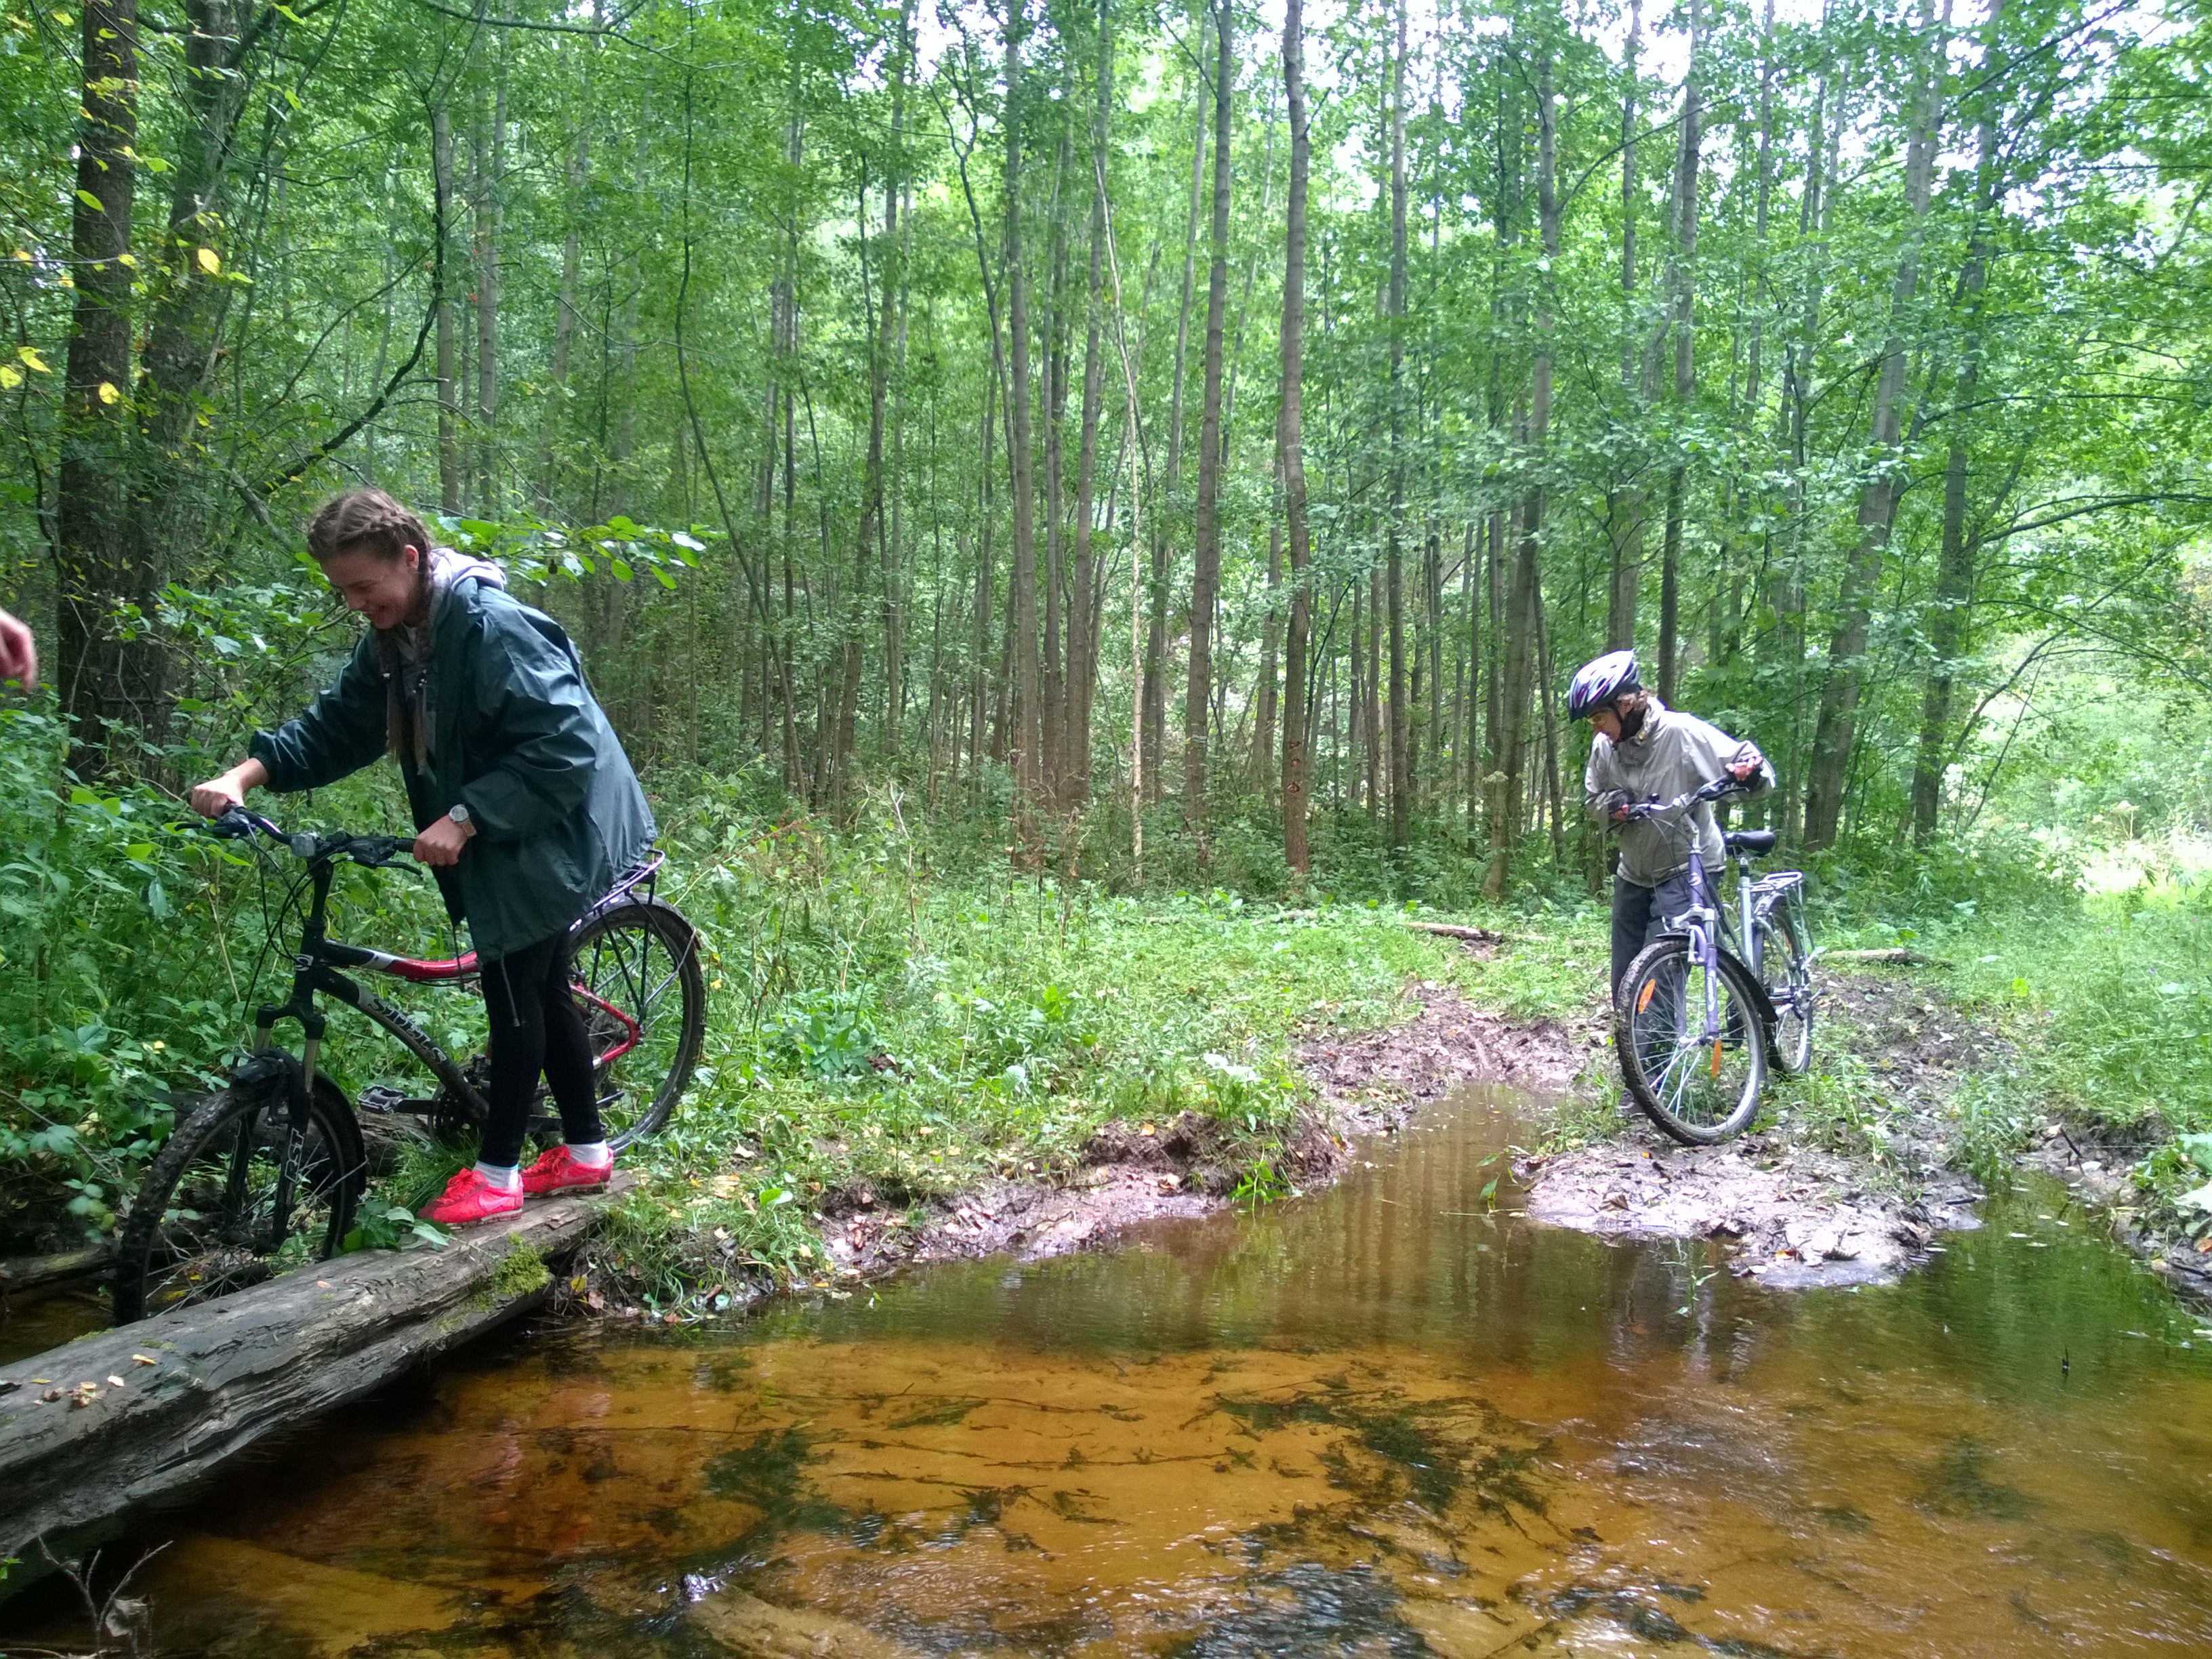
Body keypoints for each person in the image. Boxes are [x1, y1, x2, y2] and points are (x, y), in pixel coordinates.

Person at [188, 488, 656, 1225]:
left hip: (555, 822)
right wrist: (244, 776)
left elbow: (567, 745)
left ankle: (498, 1174)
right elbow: (339, 726)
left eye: (364, 587)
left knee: (515, 990)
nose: (354, 602)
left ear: (410, 559)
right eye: (342, 590)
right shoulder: (397, 636)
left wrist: (468, 818)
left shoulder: (491, 627)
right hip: (513, 821)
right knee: (541, 983)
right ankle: (587, 1151)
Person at [1565, 650, 1774, 1000]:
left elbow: (1750, 764)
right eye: (1591, 720)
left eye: (1599, 716)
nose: (1596, 727)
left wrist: (1750, 774)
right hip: (1633, 871)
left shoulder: (1681, 732)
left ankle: (1659, 1054)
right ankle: (1633, 1052)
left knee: (1657, 982)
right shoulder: (1604, 746)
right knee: (1625, 982)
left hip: (1685, 867)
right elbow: (1593, 801)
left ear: (1626, 704)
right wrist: (1613, 807)